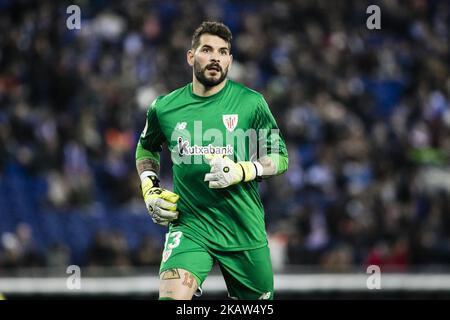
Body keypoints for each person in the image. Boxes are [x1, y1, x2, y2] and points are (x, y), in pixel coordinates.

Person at [135, 21, 288, 300]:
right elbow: (146, 149)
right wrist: (149, 187)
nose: (216, 57)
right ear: (191, 56)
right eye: (207, 49)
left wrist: (244, 169)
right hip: (190, 225)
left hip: (243, 228)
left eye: (223, 51)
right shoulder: (165, 107)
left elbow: (279, 157)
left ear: (229, 60)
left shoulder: (251, 103)